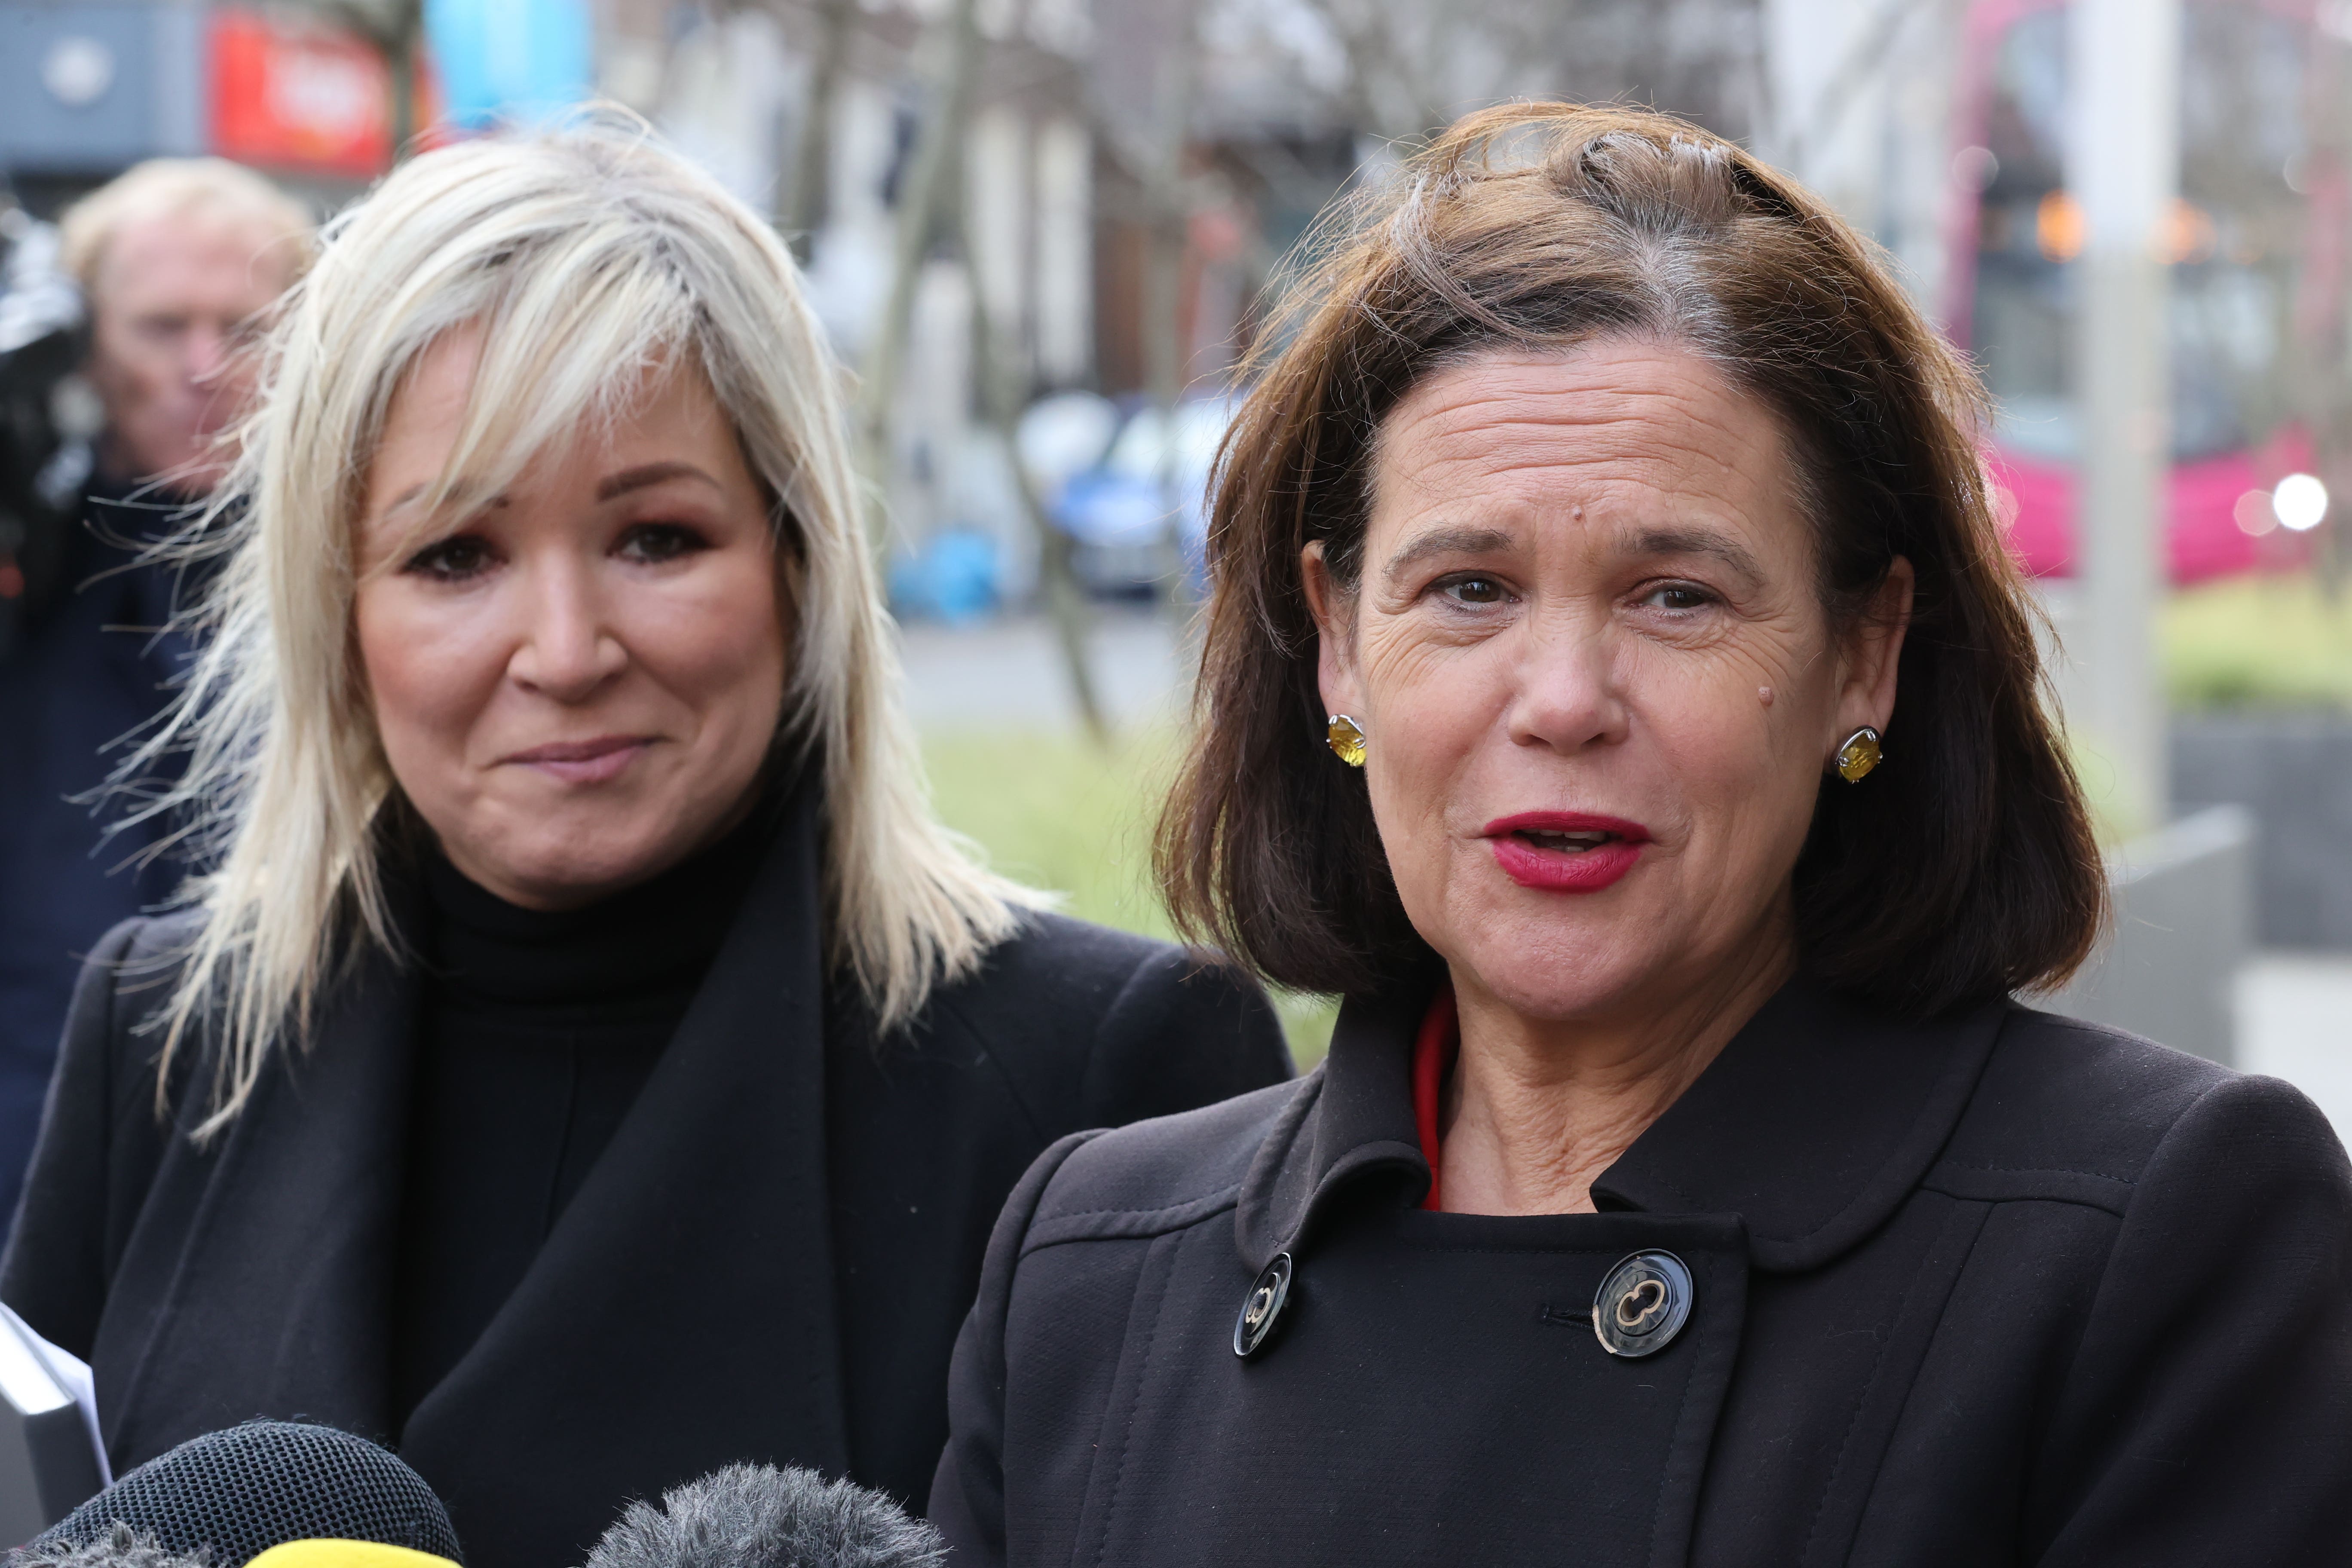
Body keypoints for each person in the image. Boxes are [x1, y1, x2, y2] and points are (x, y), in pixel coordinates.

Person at [930, 103, 2352, 1565]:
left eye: (1675, 594)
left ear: (1863, 654)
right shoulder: (1092, 1265)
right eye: (1468, 587)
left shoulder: (2157, 1234)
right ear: (1336, 643)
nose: (1560, 701)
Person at [0, 122, 1289, 1568]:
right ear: (338, 614)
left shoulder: (1109, 1076)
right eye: (455, 556)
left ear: (797, 563)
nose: (563, 649)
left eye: (657, 538)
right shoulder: (169, 1036)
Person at [0, 160, 311, 1241]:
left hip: (271, 1184)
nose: (204, 365)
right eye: (161, 325)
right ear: (84, 338)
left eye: (245, 325)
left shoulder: (364, 573)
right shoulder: (26, 554)